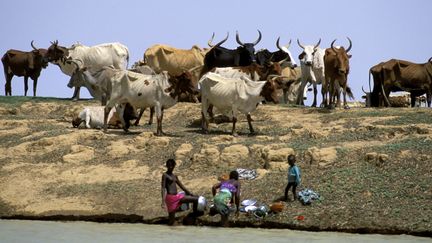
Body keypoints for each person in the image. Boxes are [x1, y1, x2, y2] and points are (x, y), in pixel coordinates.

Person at [161, 158, 199, 226]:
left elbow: (182, 186)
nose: (171, 167)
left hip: (177, 197)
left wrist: (189, 193)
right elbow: (163, 188)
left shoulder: (174, 176)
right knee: (171, 221)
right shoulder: (165, 175)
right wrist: (163, 201)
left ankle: (194, 216)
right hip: (170, 198)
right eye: (169, 166)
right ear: (167, 166)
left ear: (174, 166)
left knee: (195, 199)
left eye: (172, 166)